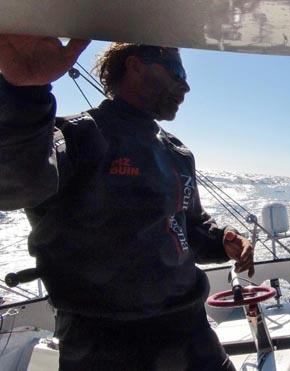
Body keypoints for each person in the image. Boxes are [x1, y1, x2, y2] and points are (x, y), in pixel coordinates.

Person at [0, 35, 255, 371]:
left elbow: (188, 226)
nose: (186, 88)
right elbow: (18, 185)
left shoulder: (177, 153)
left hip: (191, 333)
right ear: (135, 66)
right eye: (178, 73)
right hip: (103, 346)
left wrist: (223, 238)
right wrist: (25, 92)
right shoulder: (80, 135)